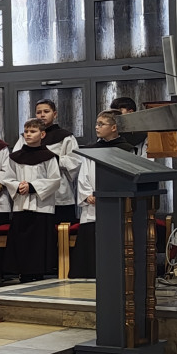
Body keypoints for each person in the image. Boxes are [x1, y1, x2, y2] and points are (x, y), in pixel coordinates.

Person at [70, 110, 135, 278]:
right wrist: (87, 195)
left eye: (101, 124)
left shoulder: (126, 150)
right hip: (92, 206)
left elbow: (126, 177)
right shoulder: (92, 149)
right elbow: (83, 174)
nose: (96, 127)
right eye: (96, 123)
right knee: (90, 246)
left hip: (116, 206)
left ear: (114, 127)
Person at [0, 118, 61, 284]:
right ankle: (23, 273)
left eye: (32, 131)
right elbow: (7, 178)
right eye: (26, 131)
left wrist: (33, 186)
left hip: (41, 207)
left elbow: (55, 180)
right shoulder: (15, 157)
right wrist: (18, 186)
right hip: (21, 205)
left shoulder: (49, 157)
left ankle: (39, 273)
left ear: (42, 134)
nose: (28, 134)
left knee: (39, 242)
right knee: (22, 242)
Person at [13, 99, 80, 227]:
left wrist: (52, 157)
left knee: (62, 235)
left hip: (60, 194)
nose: (42, 115)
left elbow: (75, 161)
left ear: (55, 114)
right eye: (38, 112)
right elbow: (15, 160)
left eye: (46, 111)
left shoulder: (65, 137)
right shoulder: (25, 137)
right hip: (32, 196)